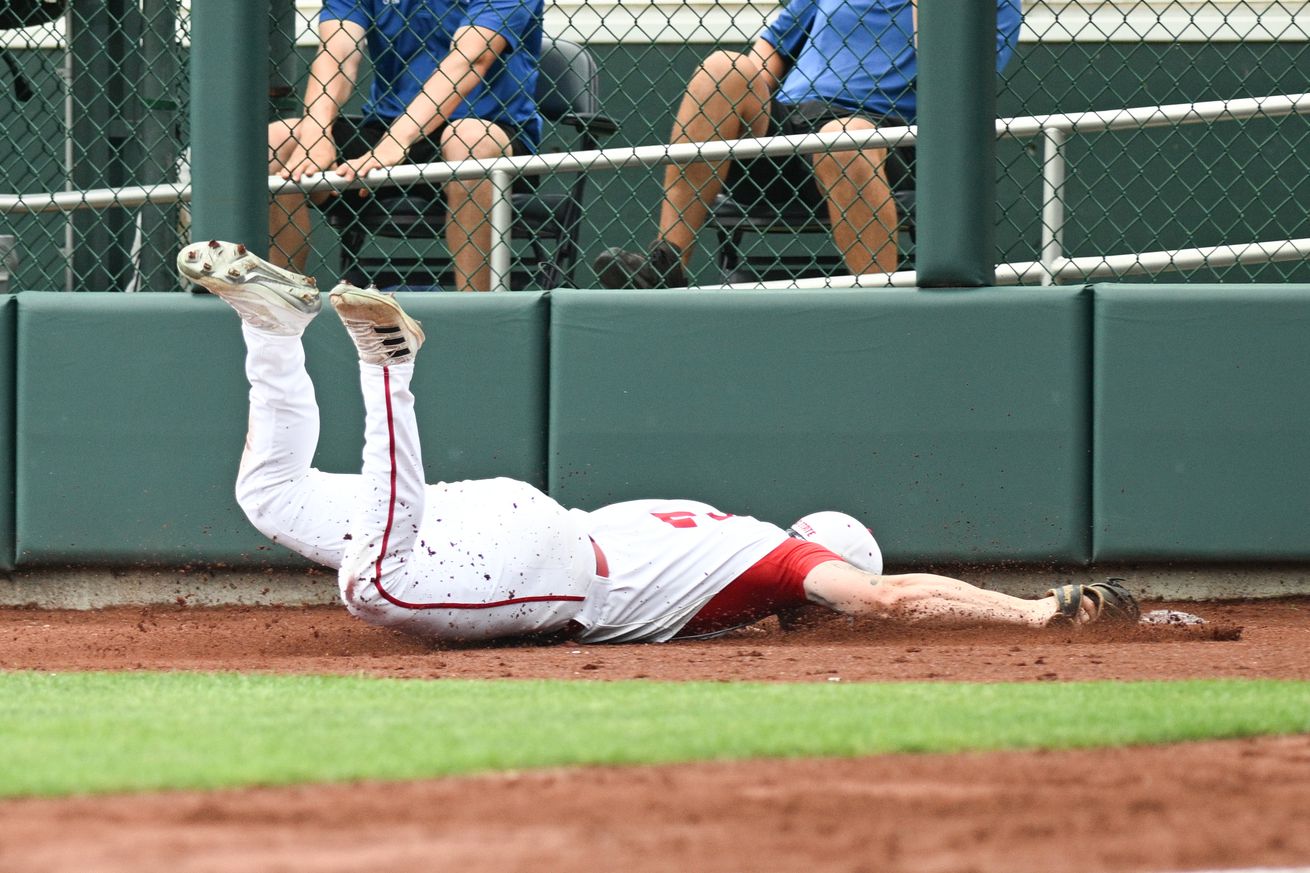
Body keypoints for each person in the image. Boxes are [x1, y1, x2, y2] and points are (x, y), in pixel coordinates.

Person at [177, 240, 1139, 645]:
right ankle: (388, 366)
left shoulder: (722, 518)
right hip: (549, 565)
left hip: (510, 518)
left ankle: (271, 330)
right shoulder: (779, 559)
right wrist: (1028, 615)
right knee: (374, 586)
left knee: (273, 494)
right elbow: (888, 593)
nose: (823, 608)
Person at [593, 0, 1023, 288]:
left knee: (842, 139)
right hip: (787, 128)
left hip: (888, 135)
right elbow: (768, 54)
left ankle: (882, 302)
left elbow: (958, 83)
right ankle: (666, 262)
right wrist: (738, 91)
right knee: (722, 68)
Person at [268, 0, 544, 292]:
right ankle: (282, 309)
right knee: (278, 140)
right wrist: (316, 132)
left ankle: (476, 312)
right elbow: (337, 54)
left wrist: (395, 142)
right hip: (383, 131)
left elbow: (471, 58)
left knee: (467, 138)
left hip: (486, 131)